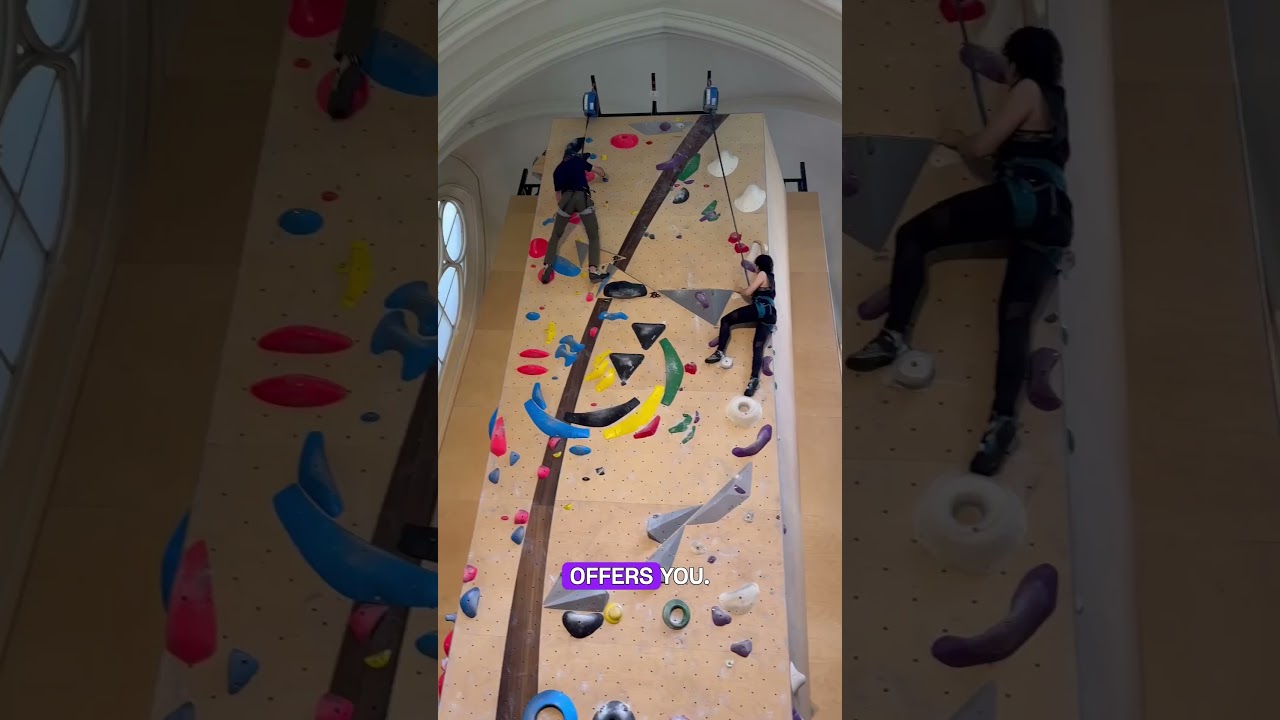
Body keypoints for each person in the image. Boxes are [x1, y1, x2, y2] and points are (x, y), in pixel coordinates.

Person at [845, 26, 1073, 477]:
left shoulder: (1028, 87)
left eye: (1009, 63)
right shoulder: (1058, 103)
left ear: (1018, 60)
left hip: (1022, 195)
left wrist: (958, 139)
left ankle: (892, 336)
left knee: (914, 234)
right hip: (1054, 217)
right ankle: (1001, 425)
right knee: (1013, 321)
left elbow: (985, 145)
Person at [705, 255, 778, 397]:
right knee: (757, 347)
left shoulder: (762, 274)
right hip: (770, 315)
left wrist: (740, 289)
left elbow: (749, 292)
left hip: (761, 308)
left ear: (759, 265)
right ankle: (754, 379)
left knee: (726, 320)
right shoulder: (772, 278)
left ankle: (719, 352)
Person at [542, 138, 609, 284]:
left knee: (556, 235)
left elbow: (558, 196)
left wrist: (565, 209)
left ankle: (547, 266)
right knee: (593, 235)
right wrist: (605, 176)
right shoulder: (578, 162)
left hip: (566, 200)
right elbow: (598, 170)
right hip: (581, 197)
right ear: (574, 155)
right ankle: (593, 271)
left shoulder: (557, 171)